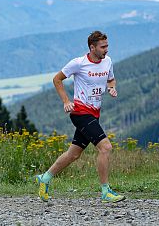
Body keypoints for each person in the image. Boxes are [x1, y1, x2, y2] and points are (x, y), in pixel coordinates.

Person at [36, 31, 125, 203]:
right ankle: (105, 192)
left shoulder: (108, 61)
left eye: (107, 46)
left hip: (94, 113)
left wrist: (112, 88)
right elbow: (57, 79)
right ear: (92, 47)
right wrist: (65, 101)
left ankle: (44, 178)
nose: (106, 50)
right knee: (105, 147)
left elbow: (111, 80)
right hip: (80, 113)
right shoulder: (78, 63)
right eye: (103, 47)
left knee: (73, 154)